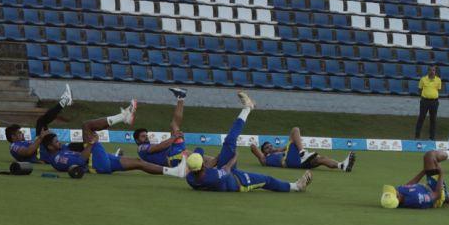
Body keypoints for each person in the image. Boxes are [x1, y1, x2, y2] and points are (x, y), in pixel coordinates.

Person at [184, 92, 312, 193]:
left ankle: (247, 108)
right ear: (201, 166)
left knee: (229, 140)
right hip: (238, 182)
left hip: (223, 172)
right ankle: (296, 186)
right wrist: (235, 156)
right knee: (267, 180)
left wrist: (215, 156)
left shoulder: (191, 178)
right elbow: (227, 169)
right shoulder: (212, 177)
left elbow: (208, 161)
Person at [46, 100, 185, 177]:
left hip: (104, 160)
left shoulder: (62, 149)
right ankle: (122, 117)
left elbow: (76, 146)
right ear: (50, 147)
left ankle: (174, 172)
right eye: (56, 142)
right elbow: (80, 160)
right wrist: (90, 144)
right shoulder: (57, 159)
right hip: (94, 165)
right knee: (86, 125)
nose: (60, 142)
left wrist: (87, 140)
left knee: (138, 162)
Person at [380, 134, 449, 209]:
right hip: (436, 191)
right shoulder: (416, 200)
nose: (394, 189)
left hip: (428, 186)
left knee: (429, 157)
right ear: (397, 198)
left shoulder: (400, 192)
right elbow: (437, 196)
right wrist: (441, 174)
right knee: (429, 156)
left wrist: (423, 171)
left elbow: (408, 185)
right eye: (393, 192)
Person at [4, 84, 73, 163]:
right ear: (13, 136)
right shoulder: (14, 146)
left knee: (76, 146)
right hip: (45, 152)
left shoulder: (24, 142)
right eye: (19, 133)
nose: (22, 134)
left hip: (47, 149)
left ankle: (64, 101)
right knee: (41, 121)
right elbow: (27, 152)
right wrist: (40, 138)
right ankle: (64, 101)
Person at [250, 125, 356, 172]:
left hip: (298, 163)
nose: (270, 148)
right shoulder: (264, 159)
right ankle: (303, 152)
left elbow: (285, 149)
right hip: (289, 161)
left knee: (320, 159)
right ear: (263, 152)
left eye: (270, 146)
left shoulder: (280, 151)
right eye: (267, 148)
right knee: (295, 130)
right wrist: (266, 153)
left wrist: (278, 149)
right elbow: (252, 147)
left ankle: (342, 165)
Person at [133, 87, 188, 167]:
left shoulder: (147, 146)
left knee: (174, 125)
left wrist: (175, 137)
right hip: (173, 157)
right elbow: (160, 146)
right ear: (137, 140)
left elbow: (162, 147)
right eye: (143, 136)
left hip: (174, 152)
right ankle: (181, 97)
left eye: (146, 135)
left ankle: (181, 97)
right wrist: (174, 137)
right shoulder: (141, 148)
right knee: (174, 125)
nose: (146, 137)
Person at [414, 66, 442, 140]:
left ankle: (432, 138)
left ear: (435, 71)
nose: (432, 71)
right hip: (424, 101)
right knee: (421, 118)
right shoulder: (423, 79)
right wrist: (425, 96)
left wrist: (433, 96)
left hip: (434, 102)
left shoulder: (438, 80)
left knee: (433, 120)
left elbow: (438, 90)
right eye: (431, 70)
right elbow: (419, 89)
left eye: (433, 70)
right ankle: (417, 137)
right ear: (428, 71)